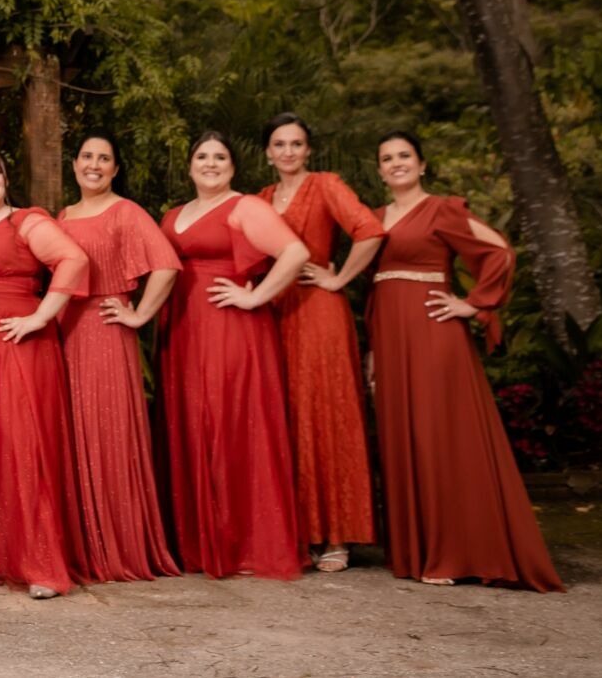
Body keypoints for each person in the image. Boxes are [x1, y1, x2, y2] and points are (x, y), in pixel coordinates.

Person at [363, 131, 564, 591]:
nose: (396, 163)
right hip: (391, 337)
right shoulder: (373, 218)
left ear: (422, 164)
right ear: (379, 169)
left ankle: (455, 553)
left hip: (434, 333)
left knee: (439, 436)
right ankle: (418, 550)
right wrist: (373, 348)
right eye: (387, 158)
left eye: (404, 156)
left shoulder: (443, 210)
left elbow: (500, 250)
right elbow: (372, 284)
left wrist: (473, 303)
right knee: (404, 436)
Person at [156, 131, 308, 580]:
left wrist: (256, 297)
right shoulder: (174, 214)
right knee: (191, 424)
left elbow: (295, 252)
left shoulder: (246, 206)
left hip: (231, 328)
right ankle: (198, 543)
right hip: (182, 330)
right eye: (201, 156)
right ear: (189, 165)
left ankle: (245, 543)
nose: (210, 163)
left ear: (234, 167)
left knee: (231, 423)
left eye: (220, 157)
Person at [0, 146, 90, 598]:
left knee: (22, 444)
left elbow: (74, 260)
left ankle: (42, 566)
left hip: (18, 343)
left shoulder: (24, 221)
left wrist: (41, 316)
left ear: (6, 179)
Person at [257, 112, 384, 572]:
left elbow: (370, 230)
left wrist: (341, 279)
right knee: (289, 418)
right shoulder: (263, 198)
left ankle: (336, 535)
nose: (288, 152)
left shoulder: (326, 184)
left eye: (295, 144)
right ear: (268, 153)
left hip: (319, 313)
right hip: (276, 315)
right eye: (279, 144)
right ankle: (303, 533)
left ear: (307, 150)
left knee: (326, 415)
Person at [56, 134, 181, 582]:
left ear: (114, 169)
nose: (94, 164)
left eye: (103, 159)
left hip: (107, 332)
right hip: (66, 333)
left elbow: (165, 264)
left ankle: (118, 547)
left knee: (107, 433)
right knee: (72, 436)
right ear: (74, 166)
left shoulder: (125, 211)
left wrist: (140, 314)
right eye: (87, 157)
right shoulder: (64, 216)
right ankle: (82, 547)